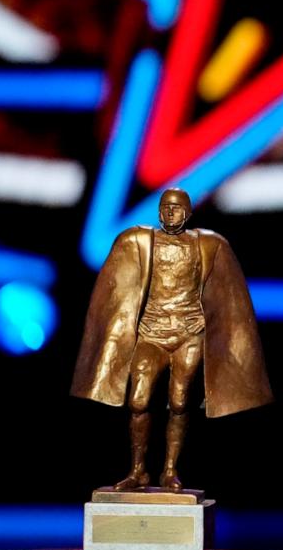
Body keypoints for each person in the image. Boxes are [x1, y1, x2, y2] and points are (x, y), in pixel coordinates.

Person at [71, 187, 272, 492]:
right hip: (151, 335)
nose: (170, 213)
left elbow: (230, 298)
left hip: (188, 335)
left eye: (176, 208)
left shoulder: (207, 244)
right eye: (165, 207)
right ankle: (138, 470)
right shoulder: (140, 241)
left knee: (179, 401)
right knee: (138, 400)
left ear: (188, 213)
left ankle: (169, 470)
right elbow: (113, 290)